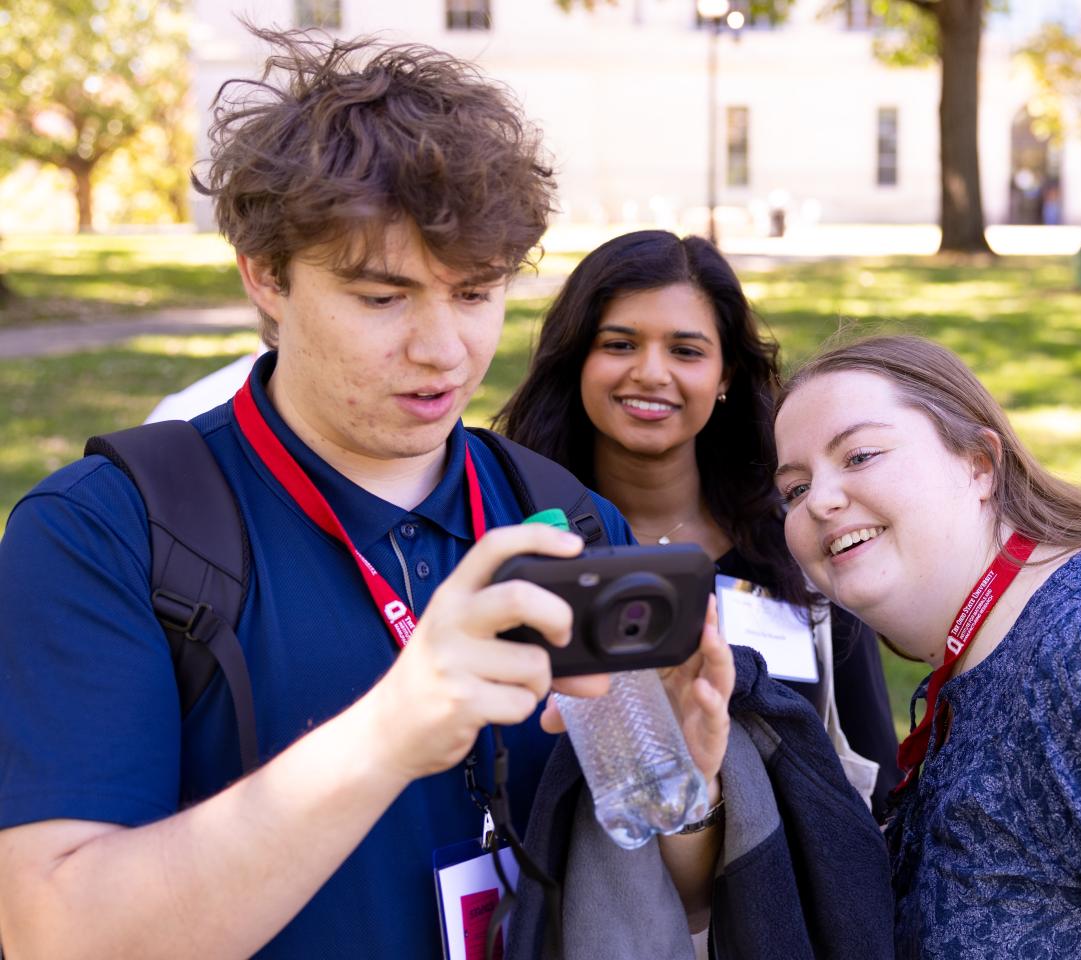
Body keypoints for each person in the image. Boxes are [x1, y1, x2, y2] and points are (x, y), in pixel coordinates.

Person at [0, 30, 733, 959]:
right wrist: (391, 732)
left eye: (474, 293)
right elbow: (53, 934)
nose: (441, 349)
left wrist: (685, 787)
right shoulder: (106, 533)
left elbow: (676, 896)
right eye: (383, 299)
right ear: (266, 277)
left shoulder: (567, 520)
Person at [772, 334, 1081, 958]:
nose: (820, 501)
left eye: (859, 455)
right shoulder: (980, 667)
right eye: (794, 489)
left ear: (978, 465)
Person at [495, 230, 900, 814]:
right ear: (578, 357)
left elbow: (874, 777)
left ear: (727, 374)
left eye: (686, 351)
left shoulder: (802, 541)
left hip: (784, 891)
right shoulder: (519, 535)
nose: (652, 373)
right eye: (619, 344)